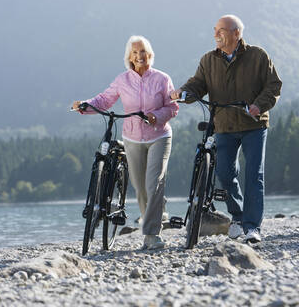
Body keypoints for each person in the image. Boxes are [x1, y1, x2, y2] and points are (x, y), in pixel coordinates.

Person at [171, 15, 282, 243]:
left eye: (221, 30)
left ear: (236, 33)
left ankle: (252, 228)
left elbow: (274, 85)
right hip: (223, 124)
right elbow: (198, 84)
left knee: (254, 175)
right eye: (215, 30)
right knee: (224, 173)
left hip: (254, 123)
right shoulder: (208, 60)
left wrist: (258, 105)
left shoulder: (258, 55)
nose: (216, 35)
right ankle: (238, 217)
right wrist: (183, 93)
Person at [73, 35, 178, 249]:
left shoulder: (162, 79)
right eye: (135, 52)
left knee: (153, 183)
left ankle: (151, 235)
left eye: (143, 52)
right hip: (132, 138)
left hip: (159, 136)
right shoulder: (123, 80)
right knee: (140, 189)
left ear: (150, 55)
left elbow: (172, 107)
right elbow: (104, 99)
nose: (139, 56)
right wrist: (85, 105)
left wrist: (156, 116)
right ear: (129, 57)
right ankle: (155, 215)